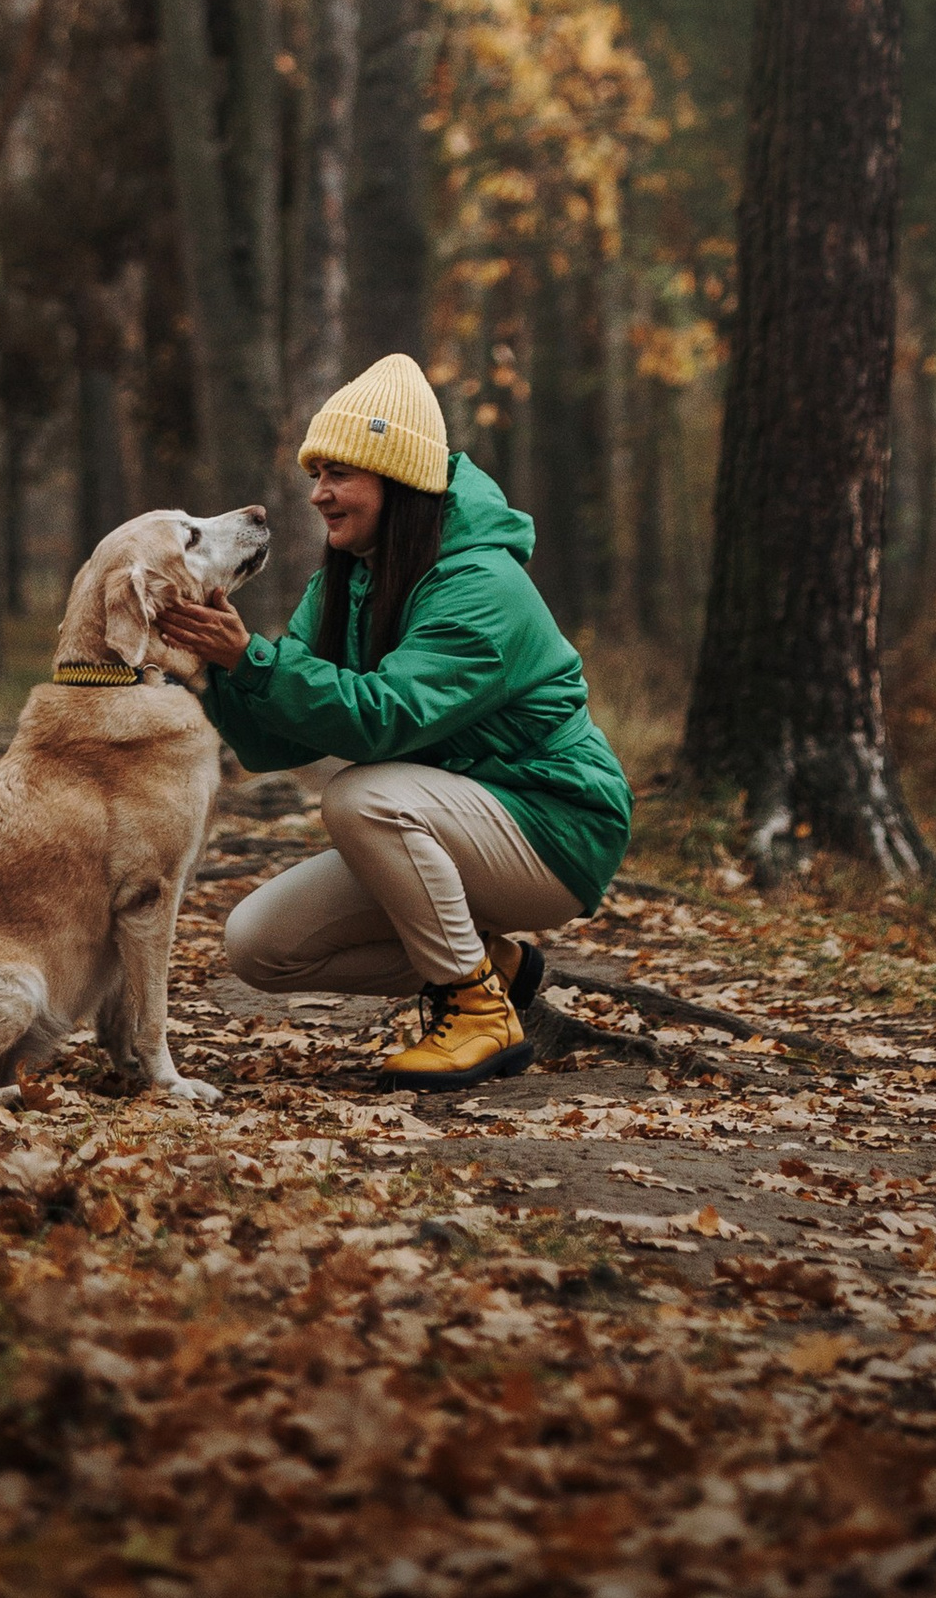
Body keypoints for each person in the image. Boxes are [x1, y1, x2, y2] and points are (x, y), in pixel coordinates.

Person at [154, 350, 632, 1090]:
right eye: (317, 475)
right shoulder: (346, 581)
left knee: (360, 793)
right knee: (260, 944)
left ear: (399, 479)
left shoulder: (482, 583)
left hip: (554, 822)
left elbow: (386, 718)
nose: (318, 495)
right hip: (450, 819)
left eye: (338, 474)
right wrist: (218, 668)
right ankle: (492, 964)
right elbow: (271, 742)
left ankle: (475, 1012)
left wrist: (253, 660)